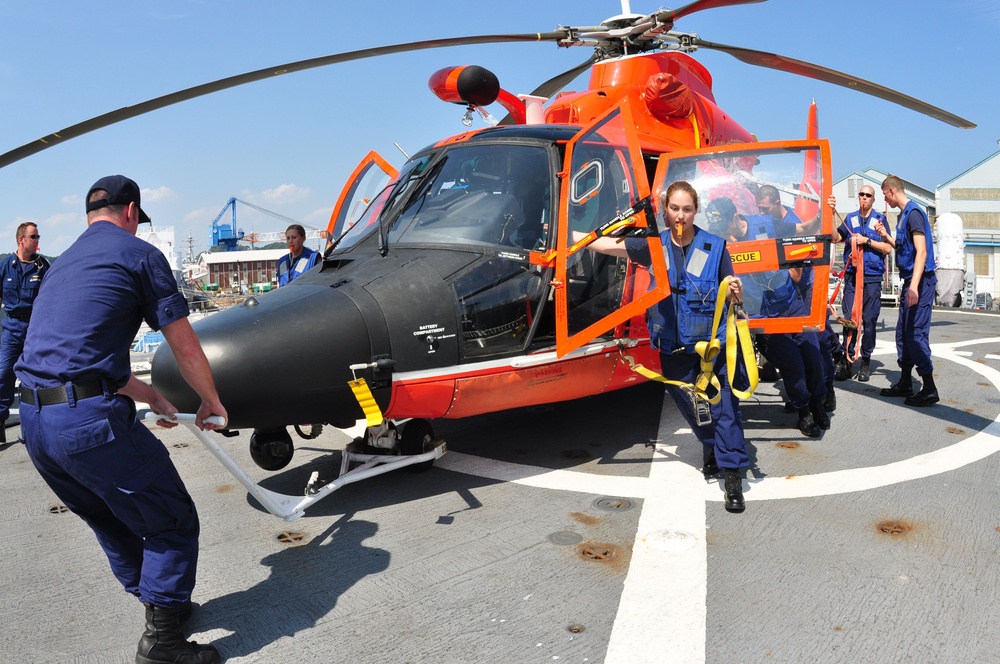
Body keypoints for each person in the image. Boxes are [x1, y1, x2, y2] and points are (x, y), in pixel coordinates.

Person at [15, 175, 228, 664]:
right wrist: (210, 399)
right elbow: (182, 339)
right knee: (171, 519)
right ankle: (162, 642)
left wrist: (150, 395)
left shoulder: (61, 264)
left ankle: (161, 607)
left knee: (109, 519)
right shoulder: (139, 255)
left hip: (35, 423)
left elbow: (77, 357)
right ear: (131, 211)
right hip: (87, 423)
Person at [585, 182, 750, 513]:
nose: (681, 215)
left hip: (710, 347)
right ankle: (712, 447)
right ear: (665, 210)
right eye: (675, 208)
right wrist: (565, 236)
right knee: (694, 408)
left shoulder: (715, 246)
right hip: (673, 347)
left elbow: (732, 292)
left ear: (696, 210)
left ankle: (732, 475)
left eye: (687, 209)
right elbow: (606, 245)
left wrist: (736, 291)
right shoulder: (653, 246)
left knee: (725, 409)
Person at [706, 196, 829, 438]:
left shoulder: (767, 224)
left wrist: (823, 214)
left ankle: (819, 403)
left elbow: (804, 230)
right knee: (792, 363)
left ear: (736, 218)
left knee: (812, 354)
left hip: (789, 304)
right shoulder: (718, 243)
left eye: (725, 228)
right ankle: (803, 412)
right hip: (759, 314)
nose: (723, 234)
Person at [875, 174, 939, 406]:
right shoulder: (903, 216)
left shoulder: (913, 214)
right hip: (911, 281)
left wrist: (913, 287)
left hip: (920, 282)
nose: (885, 200)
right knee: (903, 333)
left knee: (916, 333)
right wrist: (886, 237)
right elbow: (904, 248)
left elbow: (921, 252)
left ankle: (929, 388)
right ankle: (905, 381)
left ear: (892, 191)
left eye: (884, 195)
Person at [830, 187, 889, 382]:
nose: (864, 198)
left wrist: (868, 241)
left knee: (870, 319)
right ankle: (847, 361)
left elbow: (888, 247)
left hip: (871, 277)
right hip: (852, 276)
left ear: (874, 199)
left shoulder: (880, 220)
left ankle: (865, 361)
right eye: (861, 195)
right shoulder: (850, 219)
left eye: (868, 195)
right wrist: (831, 214)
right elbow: (836, 238)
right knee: (849, 319)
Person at [0, 223, 49, 442]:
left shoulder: (43, 267)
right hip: (11, 328)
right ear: (22, 239)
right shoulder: (5, 267)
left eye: (38, 236)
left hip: (35, 329)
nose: (38, 240)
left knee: (34, 377)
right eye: (34, 236)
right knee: (3, 374)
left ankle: (35, 426)